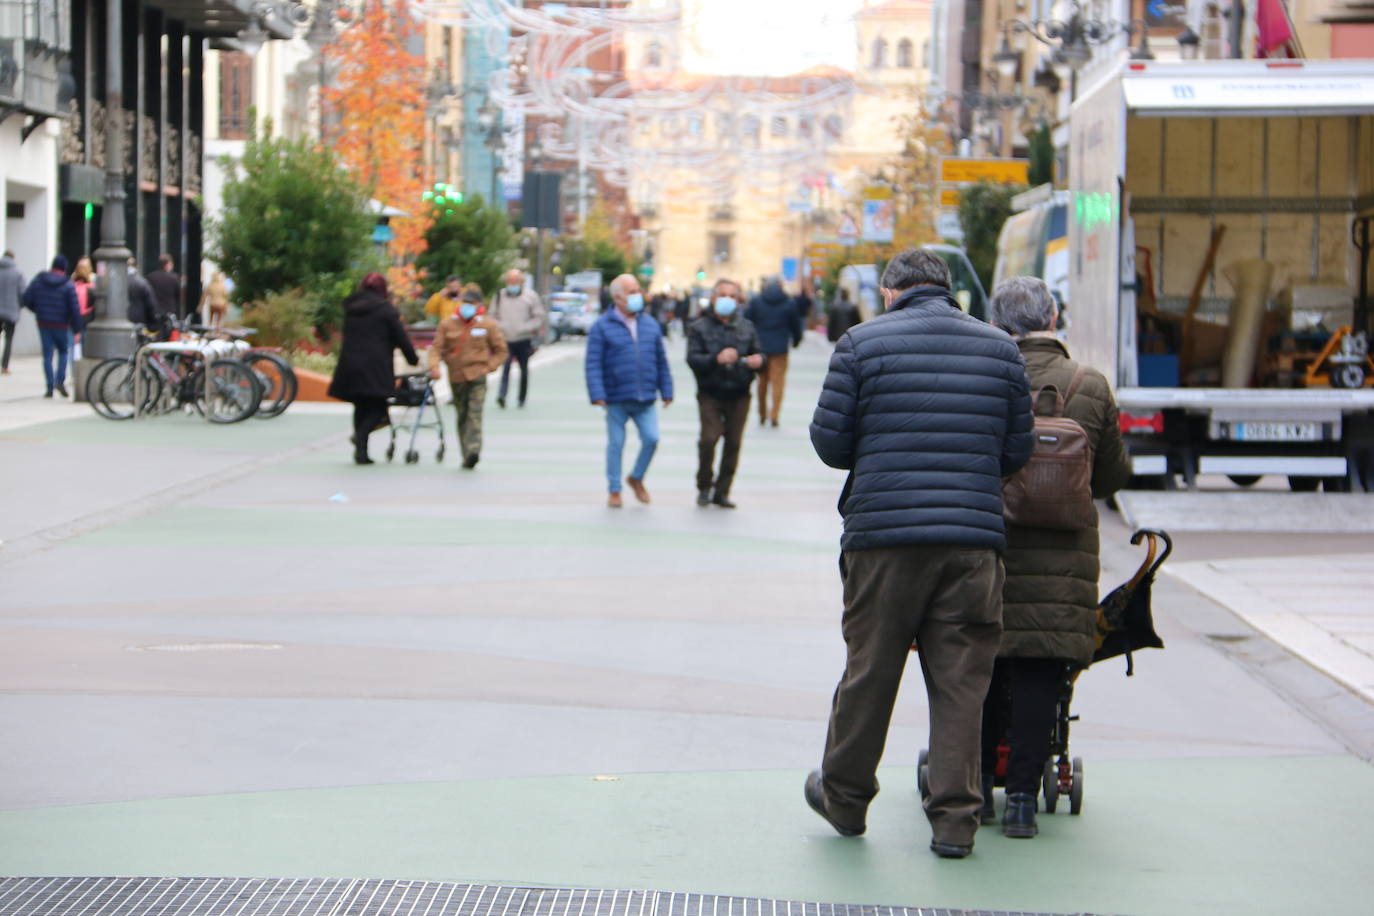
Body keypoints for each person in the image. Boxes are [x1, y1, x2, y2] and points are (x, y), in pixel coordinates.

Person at [804, 247, 1034, 859]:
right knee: (962, 683)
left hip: (883, 540)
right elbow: (1016, 451)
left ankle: (844, 799)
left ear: (890, 290)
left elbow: (830, 444)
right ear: (948, 288)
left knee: (871, 670)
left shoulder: (859, 344)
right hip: (972, 542)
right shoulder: (1000, 349)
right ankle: (957, 820)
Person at [980, 276, 1131, 839]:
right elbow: (1114, 475)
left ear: (997, 324)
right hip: (1065, 555)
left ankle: (976, 793)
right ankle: (1022, 800)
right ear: (1054, 319)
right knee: (1043, 668)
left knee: (983, 663)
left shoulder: (984, 377)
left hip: (989, 545)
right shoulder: (1089, 385)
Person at [585, 273, 674, 508]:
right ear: (617, 297)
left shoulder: (650, 324)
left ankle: (636, 477)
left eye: (638, 290)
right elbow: (593, 362)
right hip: (615, 397)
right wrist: (597, 393)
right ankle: (614, 489)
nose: (638, 296)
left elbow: (660, 360)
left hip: (645, 396)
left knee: (652, 438)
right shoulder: (601, 327)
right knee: (616, 443)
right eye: (632, 291)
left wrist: (667, 389)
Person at [686, 279, 763, 509]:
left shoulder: (746, 327)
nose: (727, 300)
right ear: (713, 298)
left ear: (738, 300)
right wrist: (715, 359)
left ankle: (722, 491)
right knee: (709, 439)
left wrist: (759, 361)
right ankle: (704, 485)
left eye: (732, 296)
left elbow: (759, 354)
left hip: (739, 393)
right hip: (710, 392)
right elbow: (692, 359)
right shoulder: (699, 327)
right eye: (722, 295)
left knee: (733, 443)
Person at [327, 272, 419, 464]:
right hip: (375, 365)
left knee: (360, 406)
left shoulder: (351, 307)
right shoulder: (386, 309)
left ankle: (361, 452)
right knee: (378, 406)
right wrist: (413, 358)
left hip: (351, 363)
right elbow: (400, 336)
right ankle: (360, 437)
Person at [428, 286, 508, 469]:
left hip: (477, 375)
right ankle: (465, 452)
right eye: (465, 303)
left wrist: (489, 367)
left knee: (475, 412)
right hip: (456, 376)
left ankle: (473, 451)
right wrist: (434, 366)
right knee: (462, 414)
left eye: (471, 303)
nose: (467, 307)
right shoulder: (448, 324)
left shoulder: (487, 324)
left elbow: (501, 350)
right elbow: (436, 348)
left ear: (478, 304)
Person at [22, 255, 82, 398]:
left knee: (47, 355)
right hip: (61, 324)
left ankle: (49, 387)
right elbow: (74, 308)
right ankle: (59, 380)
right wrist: (77, 327)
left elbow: (26, 299)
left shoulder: (39, 280)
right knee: (63, 352)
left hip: (43, 322)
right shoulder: (67, 284)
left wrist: (38, 310)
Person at [745, 279, 802, 427]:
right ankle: (774, 414)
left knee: (761, 382)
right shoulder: (788, 303)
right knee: (778, 383)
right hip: (780, 348)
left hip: (761, 347)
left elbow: (747, 320)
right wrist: (796, 340)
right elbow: (795, 325)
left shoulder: (757, 301)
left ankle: (762, 413)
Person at [489, 269, 546, 408]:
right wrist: (500, 326)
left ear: (521, 282)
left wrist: (526, 327)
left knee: (524, 369)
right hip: (505, 338)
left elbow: (539, 317)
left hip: (523, 339)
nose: (512, 284)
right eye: (510, 281)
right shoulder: (499, 296)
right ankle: (502, 395)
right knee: (505, 367)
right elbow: (492, 316)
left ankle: (521, 398)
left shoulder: (531, 296)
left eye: (515, 281)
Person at [0, 250, 23, 375]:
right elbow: (22, 293)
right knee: (9, 339)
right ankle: (4, 366)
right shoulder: (17, 273)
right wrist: (19, 306)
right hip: (11, 312)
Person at [125, 261, 161, 336]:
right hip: (138, 322)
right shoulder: (141, 282)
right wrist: (153, 324)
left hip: (122, 321)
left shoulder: (116, 282)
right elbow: (151, 305)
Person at [145, 254, 182, 319]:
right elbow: (178, 295)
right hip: (169, 312)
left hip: (154, 311)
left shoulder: (150, 277)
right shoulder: (174, 278)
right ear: (167, 264)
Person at [71, 257, 95, 359]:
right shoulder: (91, 286)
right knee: (82, 348)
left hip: (75, 321)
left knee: (73, 349)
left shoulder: (71, 285)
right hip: (85, 320)